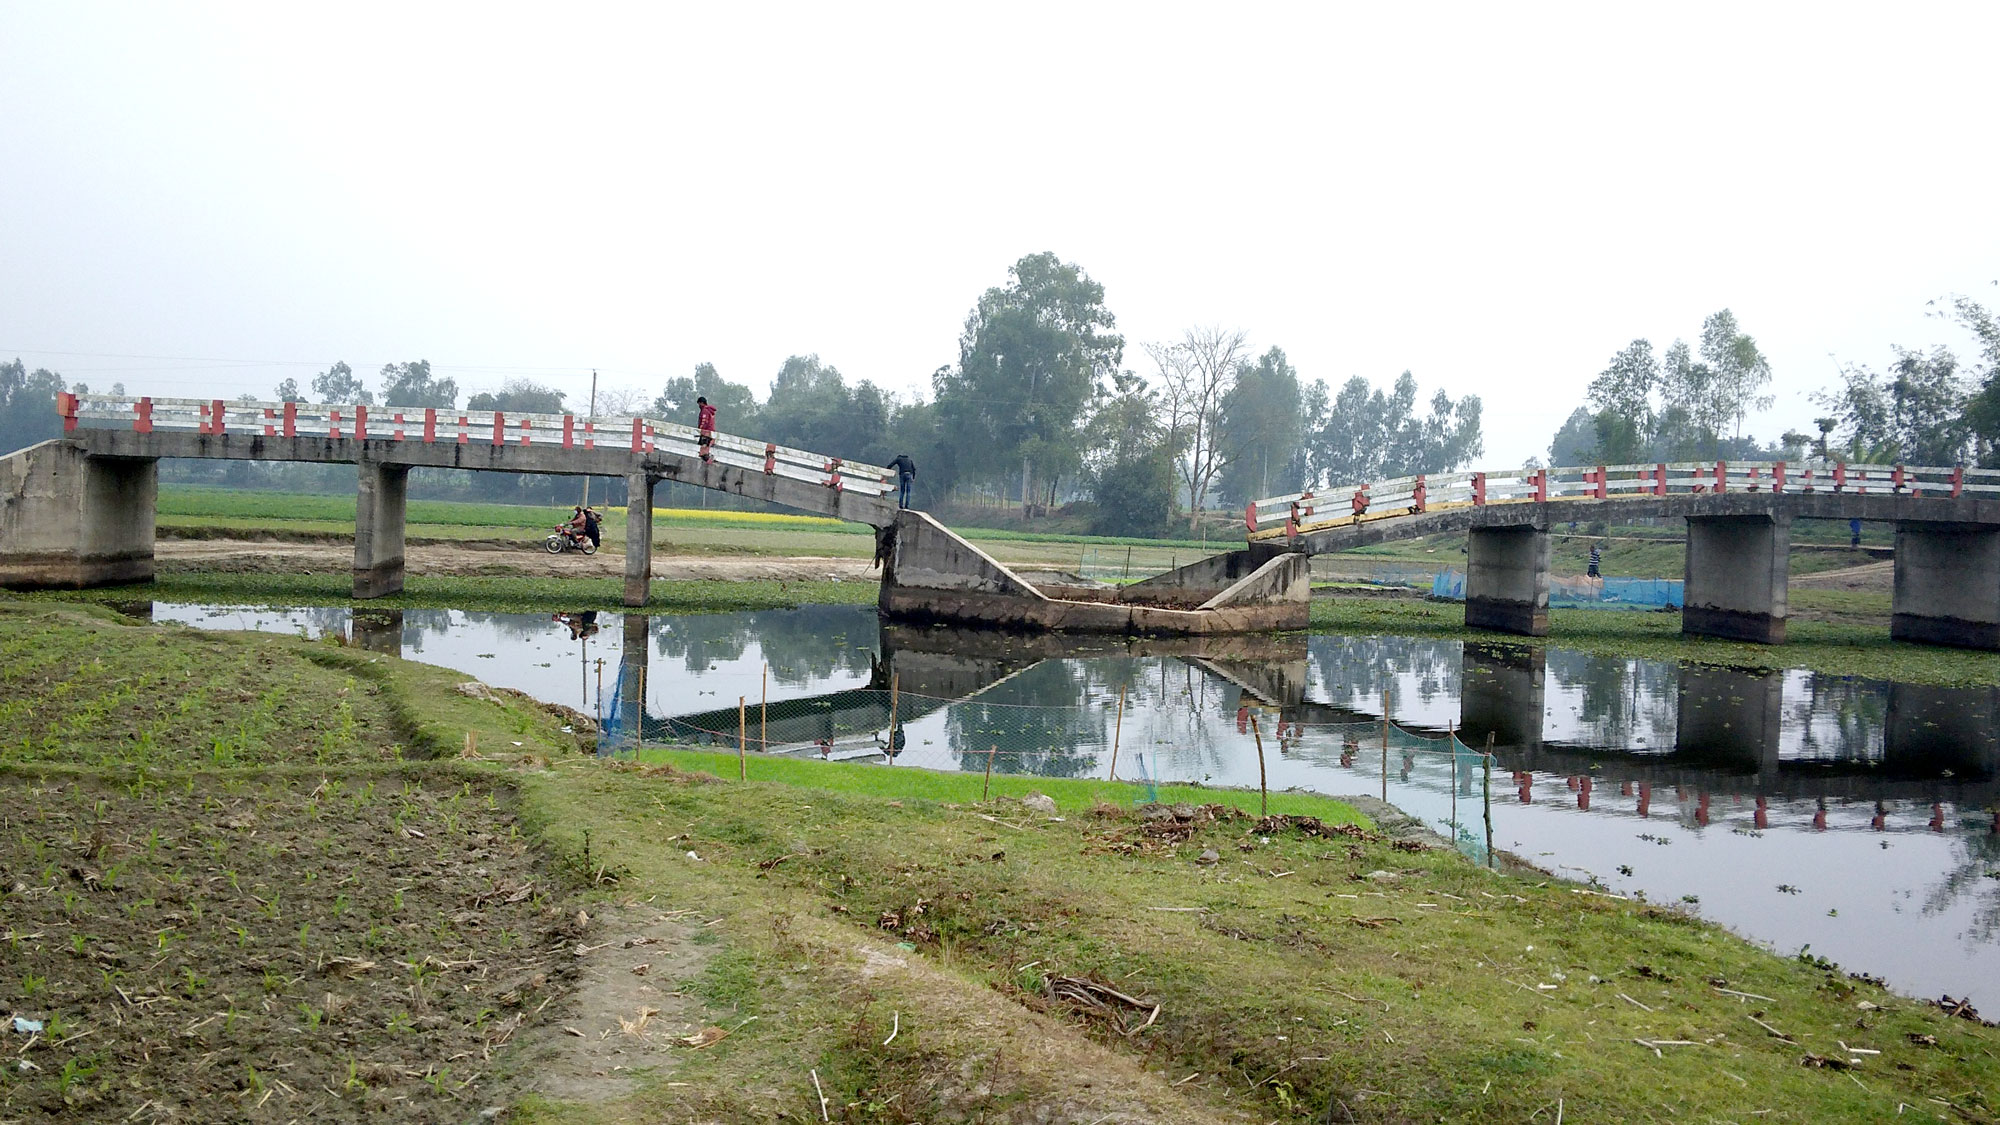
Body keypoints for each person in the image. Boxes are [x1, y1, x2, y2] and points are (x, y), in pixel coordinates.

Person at [696, 396, 716, 462]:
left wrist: (700, 429)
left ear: (702, 403)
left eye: (699, 404)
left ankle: (708, 461)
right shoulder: (710, 411)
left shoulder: (705, 411)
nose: (699, 406)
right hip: (711, 431)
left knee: (703, 448)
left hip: (706, 431)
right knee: (706, 447)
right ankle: (709, 459)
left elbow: (704, 421)